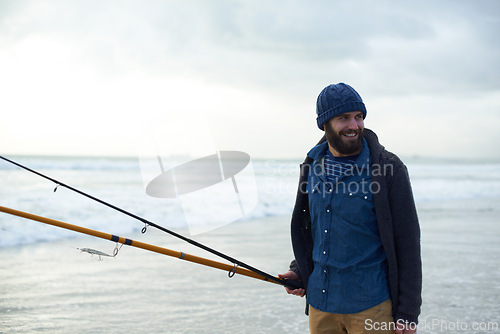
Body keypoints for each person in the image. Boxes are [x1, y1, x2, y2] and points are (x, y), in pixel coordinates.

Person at [279, 83, 422, 334]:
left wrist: (408, 313)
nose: (354, 125)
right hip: (320, 306)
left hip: (371, 306)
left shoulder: (387, 169)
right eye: (343, 118)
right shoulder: (311, 166)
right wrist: (299, 269)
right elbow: (316, 229)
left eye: (358, 117)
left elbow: (408, 244)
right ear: (325, 124)